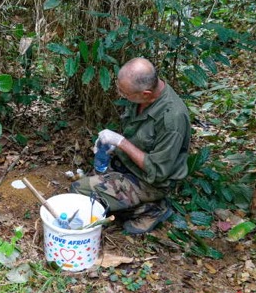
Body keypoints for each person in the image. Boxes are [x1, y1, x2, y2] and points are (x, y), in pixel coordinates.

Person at [71, 57, 191, 234]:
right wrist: (113, 146)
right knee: (91, 189)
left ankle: (152, 209)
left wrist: (121, 142)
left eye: (124, 93)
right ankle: (124, 202)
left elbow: (158, 171)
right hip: (128, 165)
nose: (121, 95)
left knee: (80, 191)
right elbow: (136, 135)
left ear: (146, 94)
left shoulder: (171, 119)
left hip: (150, 181)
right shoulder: (144, 95)